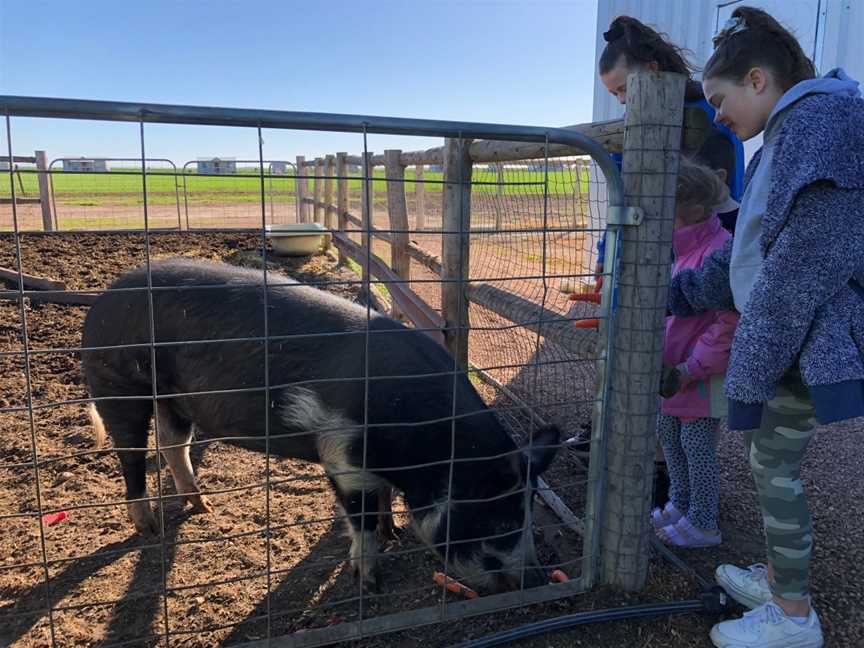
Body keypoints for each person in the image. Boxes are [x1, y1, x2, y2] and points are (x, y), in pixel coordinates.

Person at [669, 7, 864, 648]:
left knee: (773, 465)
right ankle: (784, 579)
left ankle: (795, 618)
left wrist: (749, 370)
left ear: (757, 79)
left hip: (806, 339)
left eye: (720, 100)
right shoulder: (785, 138)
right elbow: (746, 254)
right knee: (767, 461)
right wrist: (674, 292)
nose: (717, 117)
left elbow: (795, 276)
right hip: (791, 338)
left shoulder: (822, 131)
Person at [651, 157, 738, 549]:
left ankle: (704, 523)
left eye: (666, 212)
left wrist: (692, 366)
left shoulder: (719, 253)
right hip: (676, 368)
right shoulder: (679, 248)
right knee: (668, 434)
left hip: (700, 372)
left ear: (696, 210)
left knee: (697, 445)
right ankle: (680, 504)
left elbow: (727, 323)